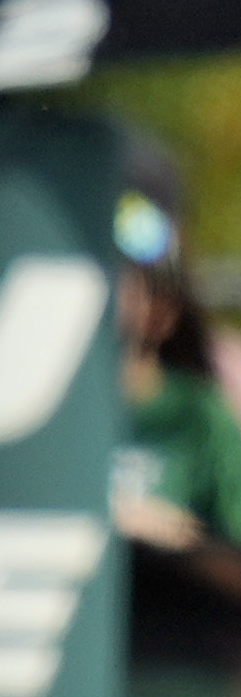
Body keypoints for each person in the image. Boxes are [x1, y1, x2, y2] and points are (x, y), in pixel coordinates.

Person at [109, 170, 241, 552]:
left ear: (163, 310)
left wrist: (175, 539)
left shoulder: (197, 416)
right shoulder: (40, 408)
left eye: (122, 278)